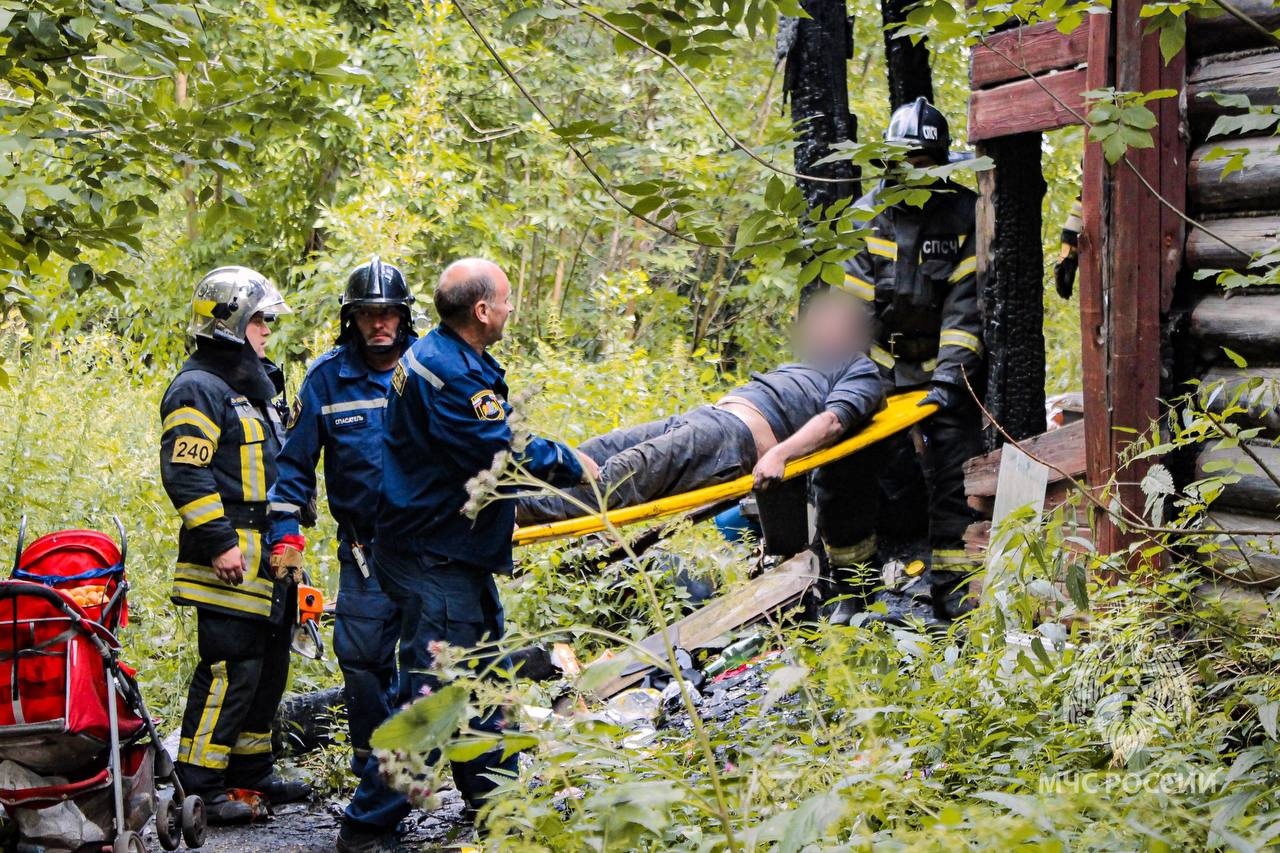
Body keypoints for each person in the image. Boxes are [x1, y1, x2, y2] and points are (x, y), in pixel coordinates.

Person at [339, 258, 591, 853]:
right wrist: (572, 462)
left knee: (485, 682)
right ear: (481, 311)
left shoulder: (442, 355)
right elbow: (501, 452)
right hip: (435, 559)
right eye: (505, 300)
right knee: (436, 699)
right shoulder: (450, 375)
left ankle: (496, 807)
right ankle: (366, 825)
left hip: (449, 553)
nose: (510, 309)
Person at [517, 289, 884, 580]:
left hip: (731, 439)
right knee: (595, 451)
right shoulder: (807, 365)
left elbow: (833, 422)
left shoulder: (861, 371)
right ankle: (503, 486)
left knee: (626, 473)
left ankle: (507, 513)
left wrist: (780, 454)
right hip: (704, 419)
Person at [266, 258, 416, 844]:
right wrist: (285, 532)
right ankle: (375, 772)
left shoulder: (430, 369)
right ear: (350, 319)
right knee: (363, 663)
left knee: (443, 664)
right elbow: (294, 467)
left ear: (404, 317)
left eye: (388, 313)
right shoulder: (326, 381)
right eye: (367, 314)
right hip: (364, 551)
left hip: (431, 550)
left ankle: (479, 795)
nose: (379, 323)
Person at [158, 266, 311, 825]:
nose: (267, 329)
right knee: (231, 669)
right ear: (230, 323)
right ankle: (199, 786)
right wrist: (220, 541)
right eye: (259, 319)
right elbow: (186, 473)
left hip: (271, 557)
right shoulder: (197, 387)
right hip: (229, 558)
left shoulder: (251, 385)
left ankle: (251, 773)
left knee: (268, 669)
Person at [837, 96, 985, 623]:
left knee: (957, 473)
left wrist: (948, 382)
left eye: (924, 163)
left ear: (941, 164)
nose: (914, 173)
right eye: (905, 162)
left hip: (943, 374)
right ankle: (850, 591)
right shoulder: (864, 216)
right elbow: (852, 313)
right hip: (877, 373)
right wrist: (853, 387)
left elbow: (967, 308)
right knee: (844, 469)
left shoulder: (967, 214)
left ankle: (953, 593)